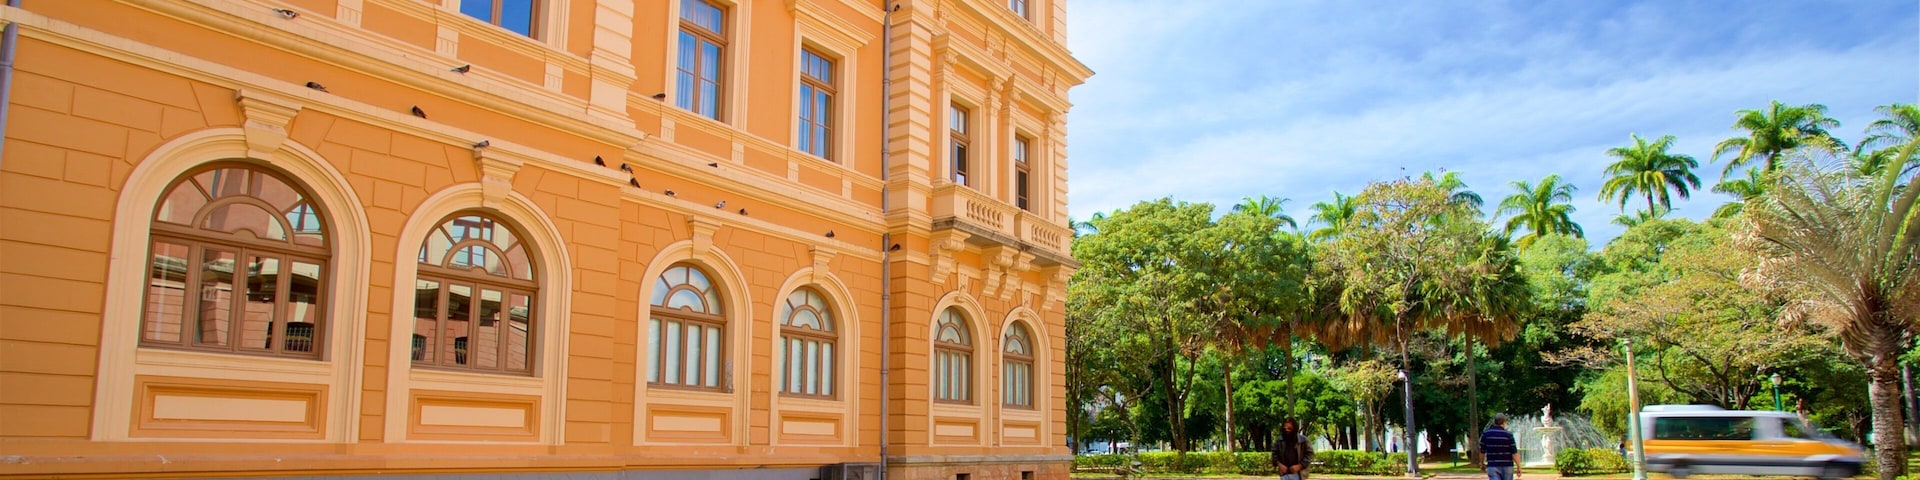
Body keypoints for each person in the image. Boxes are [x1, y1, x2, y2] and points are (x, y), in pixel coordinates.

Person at [1479, 414, 1520, 480]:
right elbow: (1514, 452)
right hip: (1507, 465)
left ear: (1494, 422)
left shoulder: (1486, 434)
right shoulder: (1508, 435)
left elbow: (1482, 451)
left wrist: (1481, 463)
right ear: (1504, 422)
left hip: (1492, 465)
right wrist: (1519, 466)